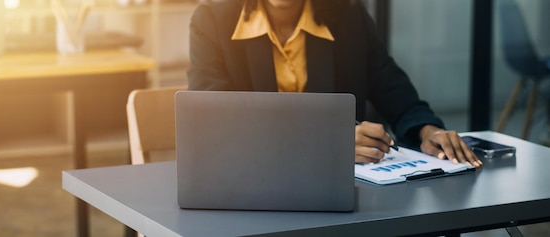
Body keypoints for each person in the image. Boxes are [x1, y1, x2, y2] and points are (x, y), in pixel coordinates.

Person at [187, 0, 482, 167]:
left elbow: (395, 92)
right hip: (252, 182)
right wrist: (327, 142)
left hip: (338, 195)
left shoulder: (349, 18)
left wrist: (427, 131)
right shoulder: (212, 21)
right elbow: (214, 122)